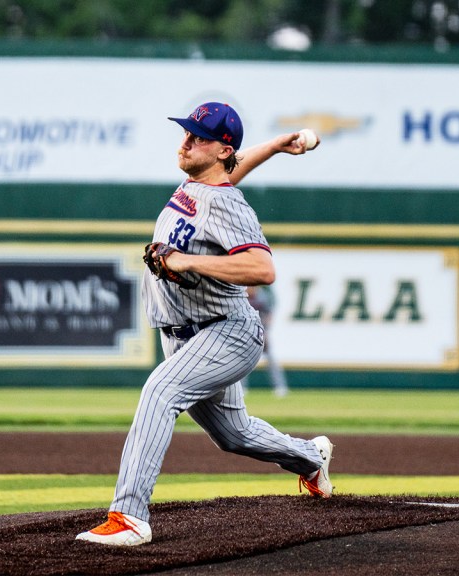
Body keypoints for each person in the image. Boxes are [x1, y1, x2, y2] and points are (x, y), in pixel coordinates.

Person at [76, 102, 333, 547]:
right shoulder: (201, 183)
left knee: (160, 392)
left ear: (221, 149)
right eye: (187, 133)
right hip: (185, 334)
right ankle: (311, 458)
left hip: (226, 331)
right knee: (234, 434)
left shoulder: (228, 203)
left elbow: (262, 268)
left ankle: (129, 516)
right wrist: (272, 146)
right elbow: (231, 168)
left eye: (198, 136)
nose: (186, 141)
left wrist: (184, 260)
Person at [241, 284, 290, 397]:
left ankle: (280, 387)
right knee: (242, 361)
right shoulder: (242, 296)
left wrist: (264, 331)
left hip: (261, 331)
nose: (250, 288)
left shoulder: (262, 296)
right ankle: (241, 388)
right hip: (246, 332)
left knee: (271, 360)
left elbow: (269, 316)